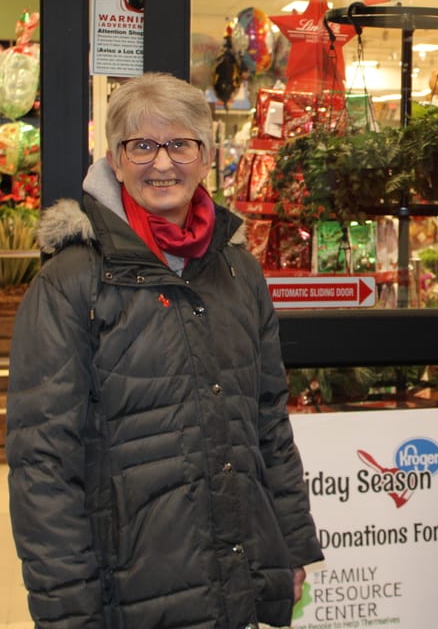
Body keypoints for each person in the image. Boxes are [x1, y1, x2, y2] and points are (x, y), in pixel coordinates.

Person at [6, 72, 323, 627]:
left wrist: (291, 546)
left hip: (235, 578)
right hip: (128, 593)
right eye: (142, 145)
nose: (162, 164)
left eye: (180, 144)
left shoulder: (238, 271)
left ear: (205, 155)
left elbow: (268, 422)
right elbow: (42, 467)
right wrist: (66, 611)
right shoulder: (72, 281)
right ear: (115, 157)